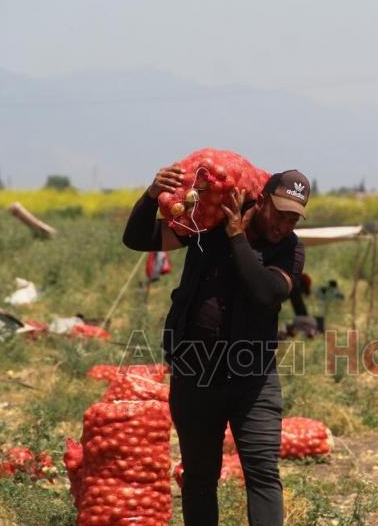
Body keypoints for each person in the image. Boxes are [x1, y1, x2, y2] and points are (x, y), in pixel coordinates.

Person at [122, 166, 309, 525]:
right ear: (263, 199)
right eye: (280, 214)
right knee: (200, 478)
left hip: (252, 378)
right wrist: (149, 197)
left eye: (293, 219)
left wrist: (237, 236)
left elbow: (264, 292)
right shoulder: (205, 226)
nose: (284, 226)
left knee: (263, 474)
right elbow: (137, 238)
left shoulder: (289, 250)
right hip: (196, 372)